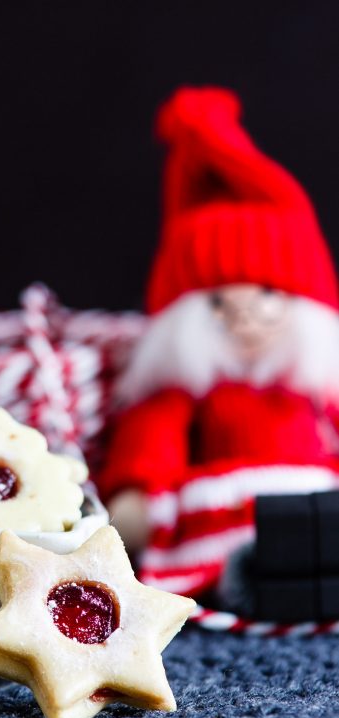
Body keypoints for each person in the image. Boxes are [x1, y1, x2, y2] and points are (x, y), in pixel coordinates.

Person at [98, 87, 339, 598]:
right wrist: (137, 502)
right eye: (217, 303)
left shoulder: (317, 390)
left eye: (270, 293)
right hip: (225, 520)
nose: (247, 318)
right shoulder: (184, 395)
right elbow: (150, 449)